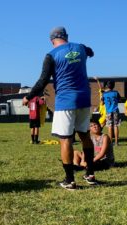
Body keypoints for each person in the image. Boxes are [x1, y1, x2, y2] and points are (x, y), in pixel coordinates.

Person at [22, 26, 96, 190]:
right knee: (85, 136)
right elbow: (91, 52)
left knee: (66, 139)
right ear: (66, 36)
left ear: (51, 40)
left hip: (66, 101)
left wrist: (28, 97)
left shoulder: (51, 55)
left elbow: (42, 81)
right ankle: (90, 174)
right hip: (84, 98)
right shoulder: (81, 48)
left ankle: (69, 180)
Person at [101, 80, 121, 146]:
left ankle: (110, 142)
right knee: (116, 125)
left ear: (107, 86)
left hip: (108, 111)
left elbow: (102, 103)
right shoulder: (116, 92)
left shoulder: (104, 94)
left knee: (109, 126)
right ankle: (116, 142)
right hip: (115, 111)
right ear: (114, 85)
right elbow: (119, 99)